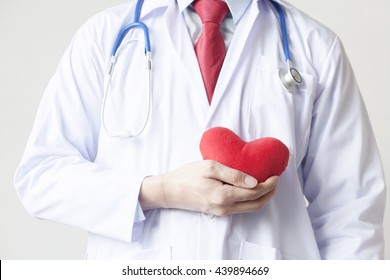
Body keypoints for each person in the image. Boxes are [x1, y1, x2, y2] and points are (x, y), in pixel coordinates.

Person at [15, 0, 386, 259]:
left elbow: (351, 212)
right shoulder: (104, 38)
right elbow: (41, 176)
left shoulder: (316, 47)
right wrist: (156, 192)